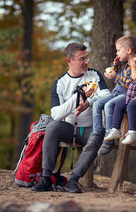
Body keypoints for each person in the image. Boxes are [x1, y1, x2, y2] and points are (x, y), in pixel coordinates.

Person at [31, 43, 110, 193]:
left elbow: (107, 94)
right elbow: (56, 115)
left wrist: (89, 102)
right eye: (82, 59)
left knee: (98, 134)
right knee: (52, 126)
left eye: (87, 58)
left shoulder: (94, 75)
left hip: (90, 129)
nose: (86, 62)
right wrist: (77, 97)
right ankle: (46, 178)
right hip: (68, 128)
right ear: (69, 61)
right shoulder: (60, 83)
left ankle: (73, 180)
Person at [84, 34, 136, 156]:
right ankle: (97, 134)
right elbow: (118, 79)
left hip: (126, 95)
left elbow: (132, 85)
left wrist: (116, 76)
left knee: (109, 105)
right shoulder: (124, 64)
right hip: (116, 92)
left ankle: (110, 136)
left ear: (129, 50)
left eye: (119, 50)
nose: (117, 53)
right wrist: (115, 66)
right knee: (97, 103)